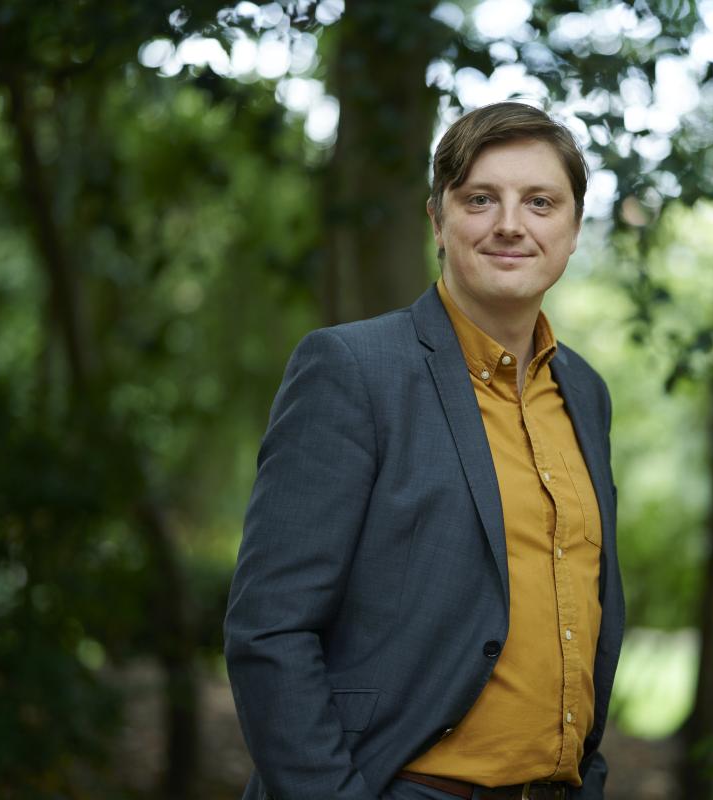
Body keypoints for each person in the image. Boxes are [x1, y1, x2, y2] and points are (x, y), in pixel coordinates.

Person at [224, 101, 623, 800]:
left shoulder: (584, 393)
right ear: (437, 220)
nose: (509, 223)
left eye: (539, 201)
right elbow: (270, 630)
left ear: (573, 228)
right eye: (479, 199)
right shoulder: (352, 369)